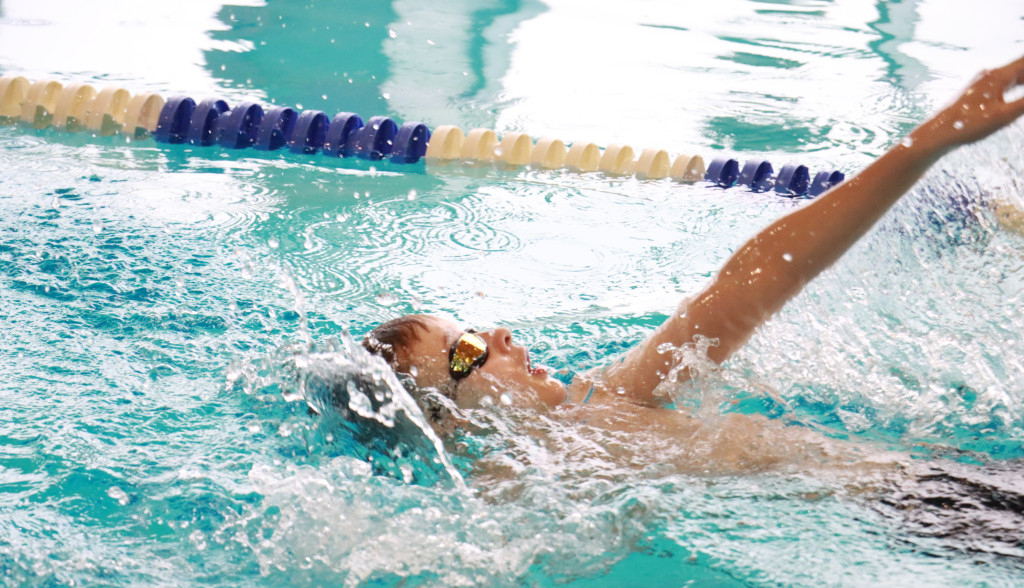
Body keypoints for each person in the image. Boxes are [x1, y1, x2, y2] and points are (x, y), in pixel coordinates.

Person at [360, 56, 1024, 473]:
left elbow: (757, 279)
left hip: (942, 480)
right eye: (468, 349)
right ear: (447, 421)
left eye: (477, 328)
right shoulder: (517, 479)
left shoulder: (604, 394)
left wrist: (930, 140)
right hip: (929, 521)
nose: (500, 334)